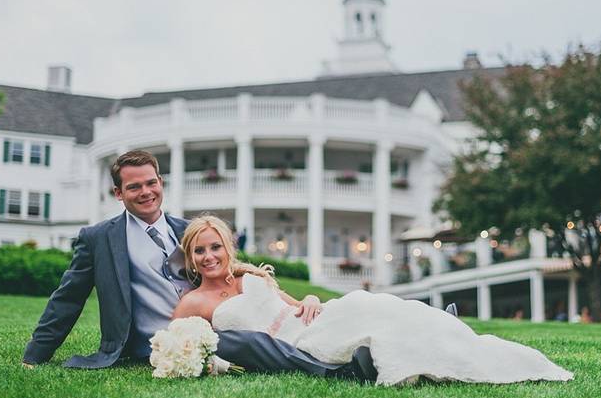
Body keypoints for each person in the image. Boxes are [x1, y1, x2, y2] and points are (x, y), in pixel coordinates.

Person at [22, 150, 373, 380]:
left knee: (267, 333)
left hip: (213, 321)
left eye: (151, 183)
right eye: (133, 187)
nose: (145, 192)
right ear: (118, 194)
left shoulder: (189, 230)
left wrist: (301, 299)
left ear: (161, 183)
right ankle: (335, 373)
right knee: (247, 342)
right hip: (161, 345)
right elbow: (68, 298)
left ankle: (355, 349)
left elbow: (229, 270)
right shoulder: (99, 239)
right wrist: (35, 354)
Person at [171, 214, 573, 386]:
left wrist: (310, 296)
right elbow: (185, 345)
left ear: (227, 246)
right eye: (200, 251)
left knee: (373, 304)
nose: (209, 258)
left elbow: (292, 301)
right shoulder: (193, 303)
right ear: (190, 257)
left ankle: (439, 324)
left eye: (215, 247)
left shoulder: (249, 275)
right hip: (294, 344)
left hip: (313, 317)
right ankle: (439, 327)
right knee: (374, 322)